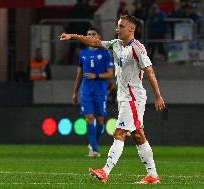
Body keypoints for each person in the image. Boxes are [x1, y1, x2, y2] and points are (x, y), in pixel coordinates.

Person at [59, 14, 165, 184]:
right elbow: (94, 42)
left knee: (119, 132)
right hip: (124, 98)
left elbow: (150, 71)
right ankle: (152, 175)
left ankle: (105, 171)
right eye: (117, 25)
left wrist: (158, 96)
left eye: (121, 26)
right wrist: (73, 36)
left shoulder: (137, 48)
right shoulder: (115, 45)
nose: (117, 29)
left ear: (132, 29)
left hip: (133, 98)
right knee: (138, 135)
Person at [72, 27, 114, 157]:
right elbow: (79, 74)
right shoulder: (83, 53)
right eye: (88, 34)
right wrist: (75, 92)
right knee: (89, 118)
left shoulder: (106, 53)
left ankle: (92, 143)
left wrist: (96, 76)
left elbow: (110, 74)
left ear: (98, 37)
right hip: (86, 91)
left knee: (100, 121)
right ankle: (94, 150)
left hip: (100, 91)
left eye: (93, 34)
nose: (90, 36)